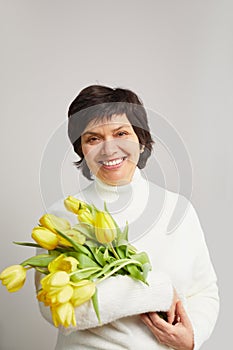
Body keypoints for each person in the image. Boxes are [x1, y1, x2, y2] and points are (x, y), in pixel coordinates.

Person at [36, 85, 219, 350]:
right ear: (82, 150)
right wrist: (157, 291)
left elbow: (204, 290)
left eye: (121, 133)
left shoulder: (178, 210)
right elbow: (57, 310)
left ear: (141, 140)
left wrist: (192, 337)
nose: (109, 149)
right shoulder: (62, 217)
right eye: (93, 138)